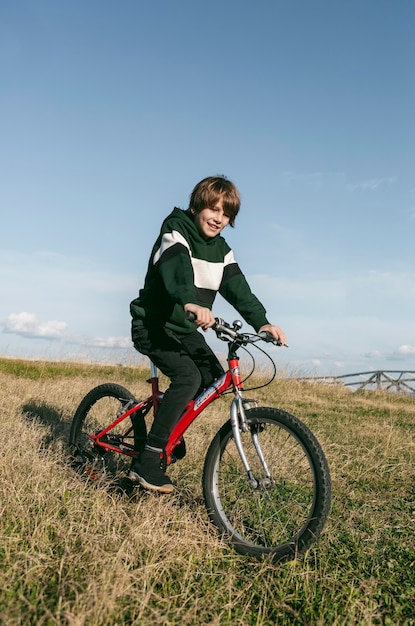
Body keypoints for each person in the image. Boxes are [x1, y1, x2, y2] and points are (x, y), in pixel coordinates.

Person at [129, 175, 287, 493]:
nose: (219, 218)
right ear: (197, 206)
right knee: (187, 378)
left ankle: (167, 431)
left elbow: (238, 288)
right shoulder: (175, 229)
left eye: (226, 214)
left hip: (186, 329)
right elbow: (177, 268)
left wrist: (263, 323)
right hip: (153, 325)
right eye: (213, 209)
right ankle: (147, 461)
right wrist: (189, 300)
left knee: (213, 377)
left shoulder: (221, 249)